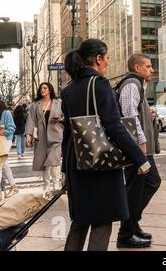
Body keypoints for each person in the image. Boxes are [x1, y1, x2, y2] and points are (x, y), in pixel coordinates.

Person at [61, 38, 149, 251]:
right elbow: (114, 125)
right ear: (98, 59)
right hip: (98, 160)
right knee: (102, 220)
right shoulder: (99, 85)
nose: (108, 62)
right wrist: (139, 158)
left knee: (81, 220)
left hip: (75, 160)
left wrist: (65, 169)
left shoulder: (69, 89)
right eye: (107, 58)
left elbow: (66, 132)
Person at [116, 53, 162, 249]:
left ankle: (132, 225)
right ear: (137, 68)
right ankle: (126, 233)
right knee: (141, 185)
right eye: (148, 66)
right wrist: (141, 142)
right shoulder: (131, 84)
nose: (152, 69)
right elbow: (128, 114)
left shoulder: (138, 85)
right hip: (137, 149)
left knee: (146, 184)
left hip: (140, 148)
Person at [25, 83, 63, 192]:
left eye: (45, 88)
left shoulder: (58, 103)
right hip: (41, 138)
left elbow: (65, 116)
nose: (42, 90)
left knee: (54, 161)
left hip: (56, 136)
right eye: (41, 88)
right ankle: (46, 184)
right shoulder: (35, 105)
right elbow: (31, 120)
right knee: (44, 162)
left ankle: (56, 184)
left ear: (50, 90)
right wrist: (28, 135)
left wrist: (61, 120)